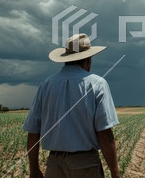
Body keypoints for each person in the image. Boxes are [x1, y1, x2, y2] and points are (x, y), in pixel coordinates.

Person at [23, 33, 120, 178]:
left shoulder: (46, 85)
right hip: (85, 165)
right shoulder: (97, 84)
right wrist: (115, 174)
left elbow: (33, 132)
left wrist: (34, 169)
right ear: (88, 59)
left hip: (53, 165)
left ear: (66, 59)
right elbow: (105, 135)